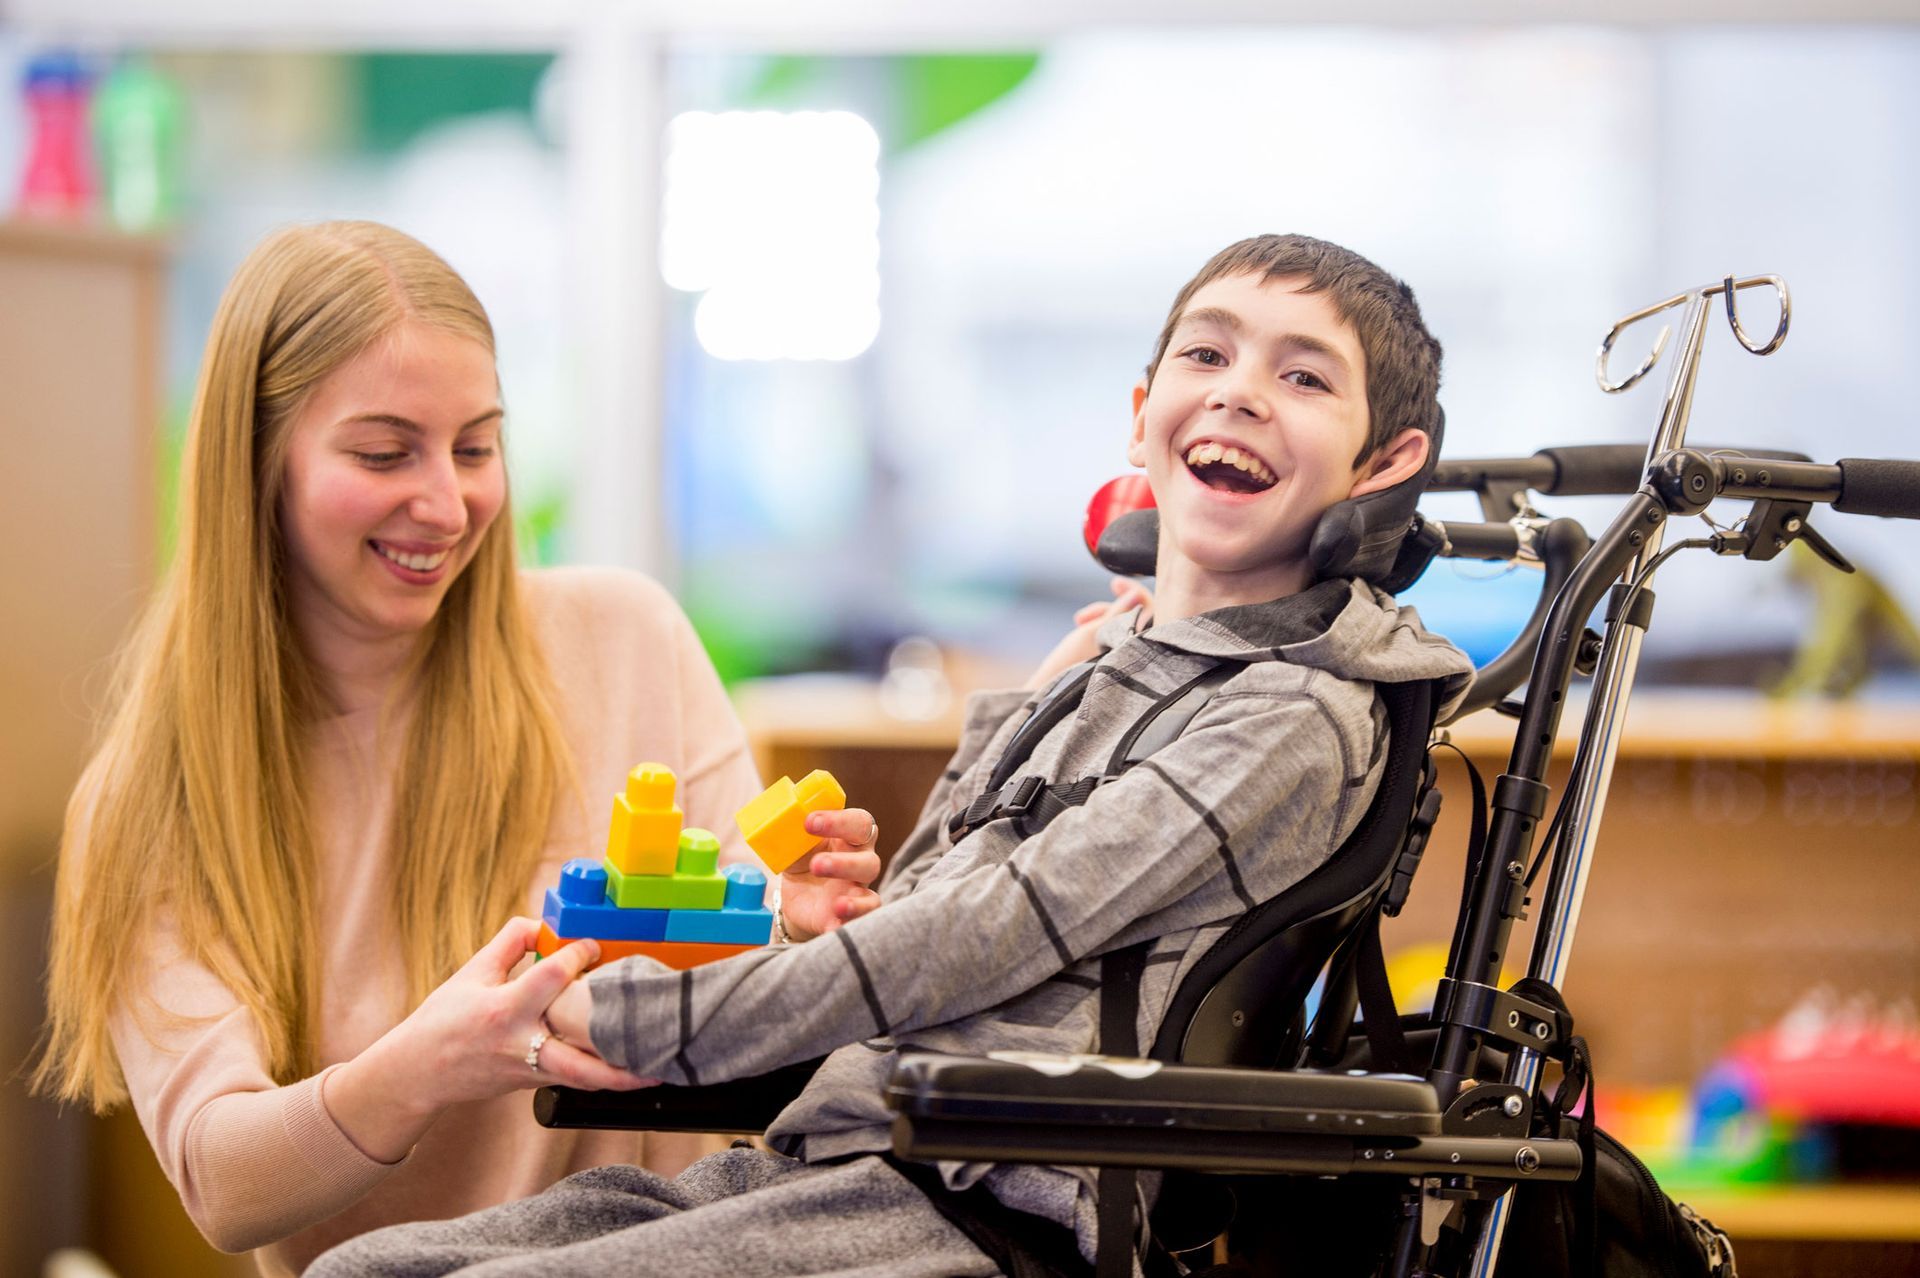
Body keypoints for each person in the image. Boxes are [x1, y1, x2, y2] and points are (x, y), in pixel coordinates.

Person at [308, 232, 1478, 1278]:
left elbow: (983, 936)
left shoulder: (1293, 718)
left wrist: (644, 1019)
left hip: (981, 1208)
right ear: (1140, 413)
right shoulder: (1109, 668)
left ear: (1384, 463)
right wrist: (1050, 694)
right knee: (364, 1270)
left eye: (1304, 376)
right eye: (1208, 356)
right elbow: (907, 906)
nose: (1242, 396)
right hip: (840, 1163)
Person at [30, 221, 883, 1277]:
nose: (447, 502)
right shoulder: (152, 801)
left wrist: (800, 939)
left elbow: (756, 1005)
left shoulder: (625, 639)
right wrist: (430, 1065)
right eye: (385, 452)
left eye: (476, 446)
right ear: (258, 466)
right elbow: (224, 1182)